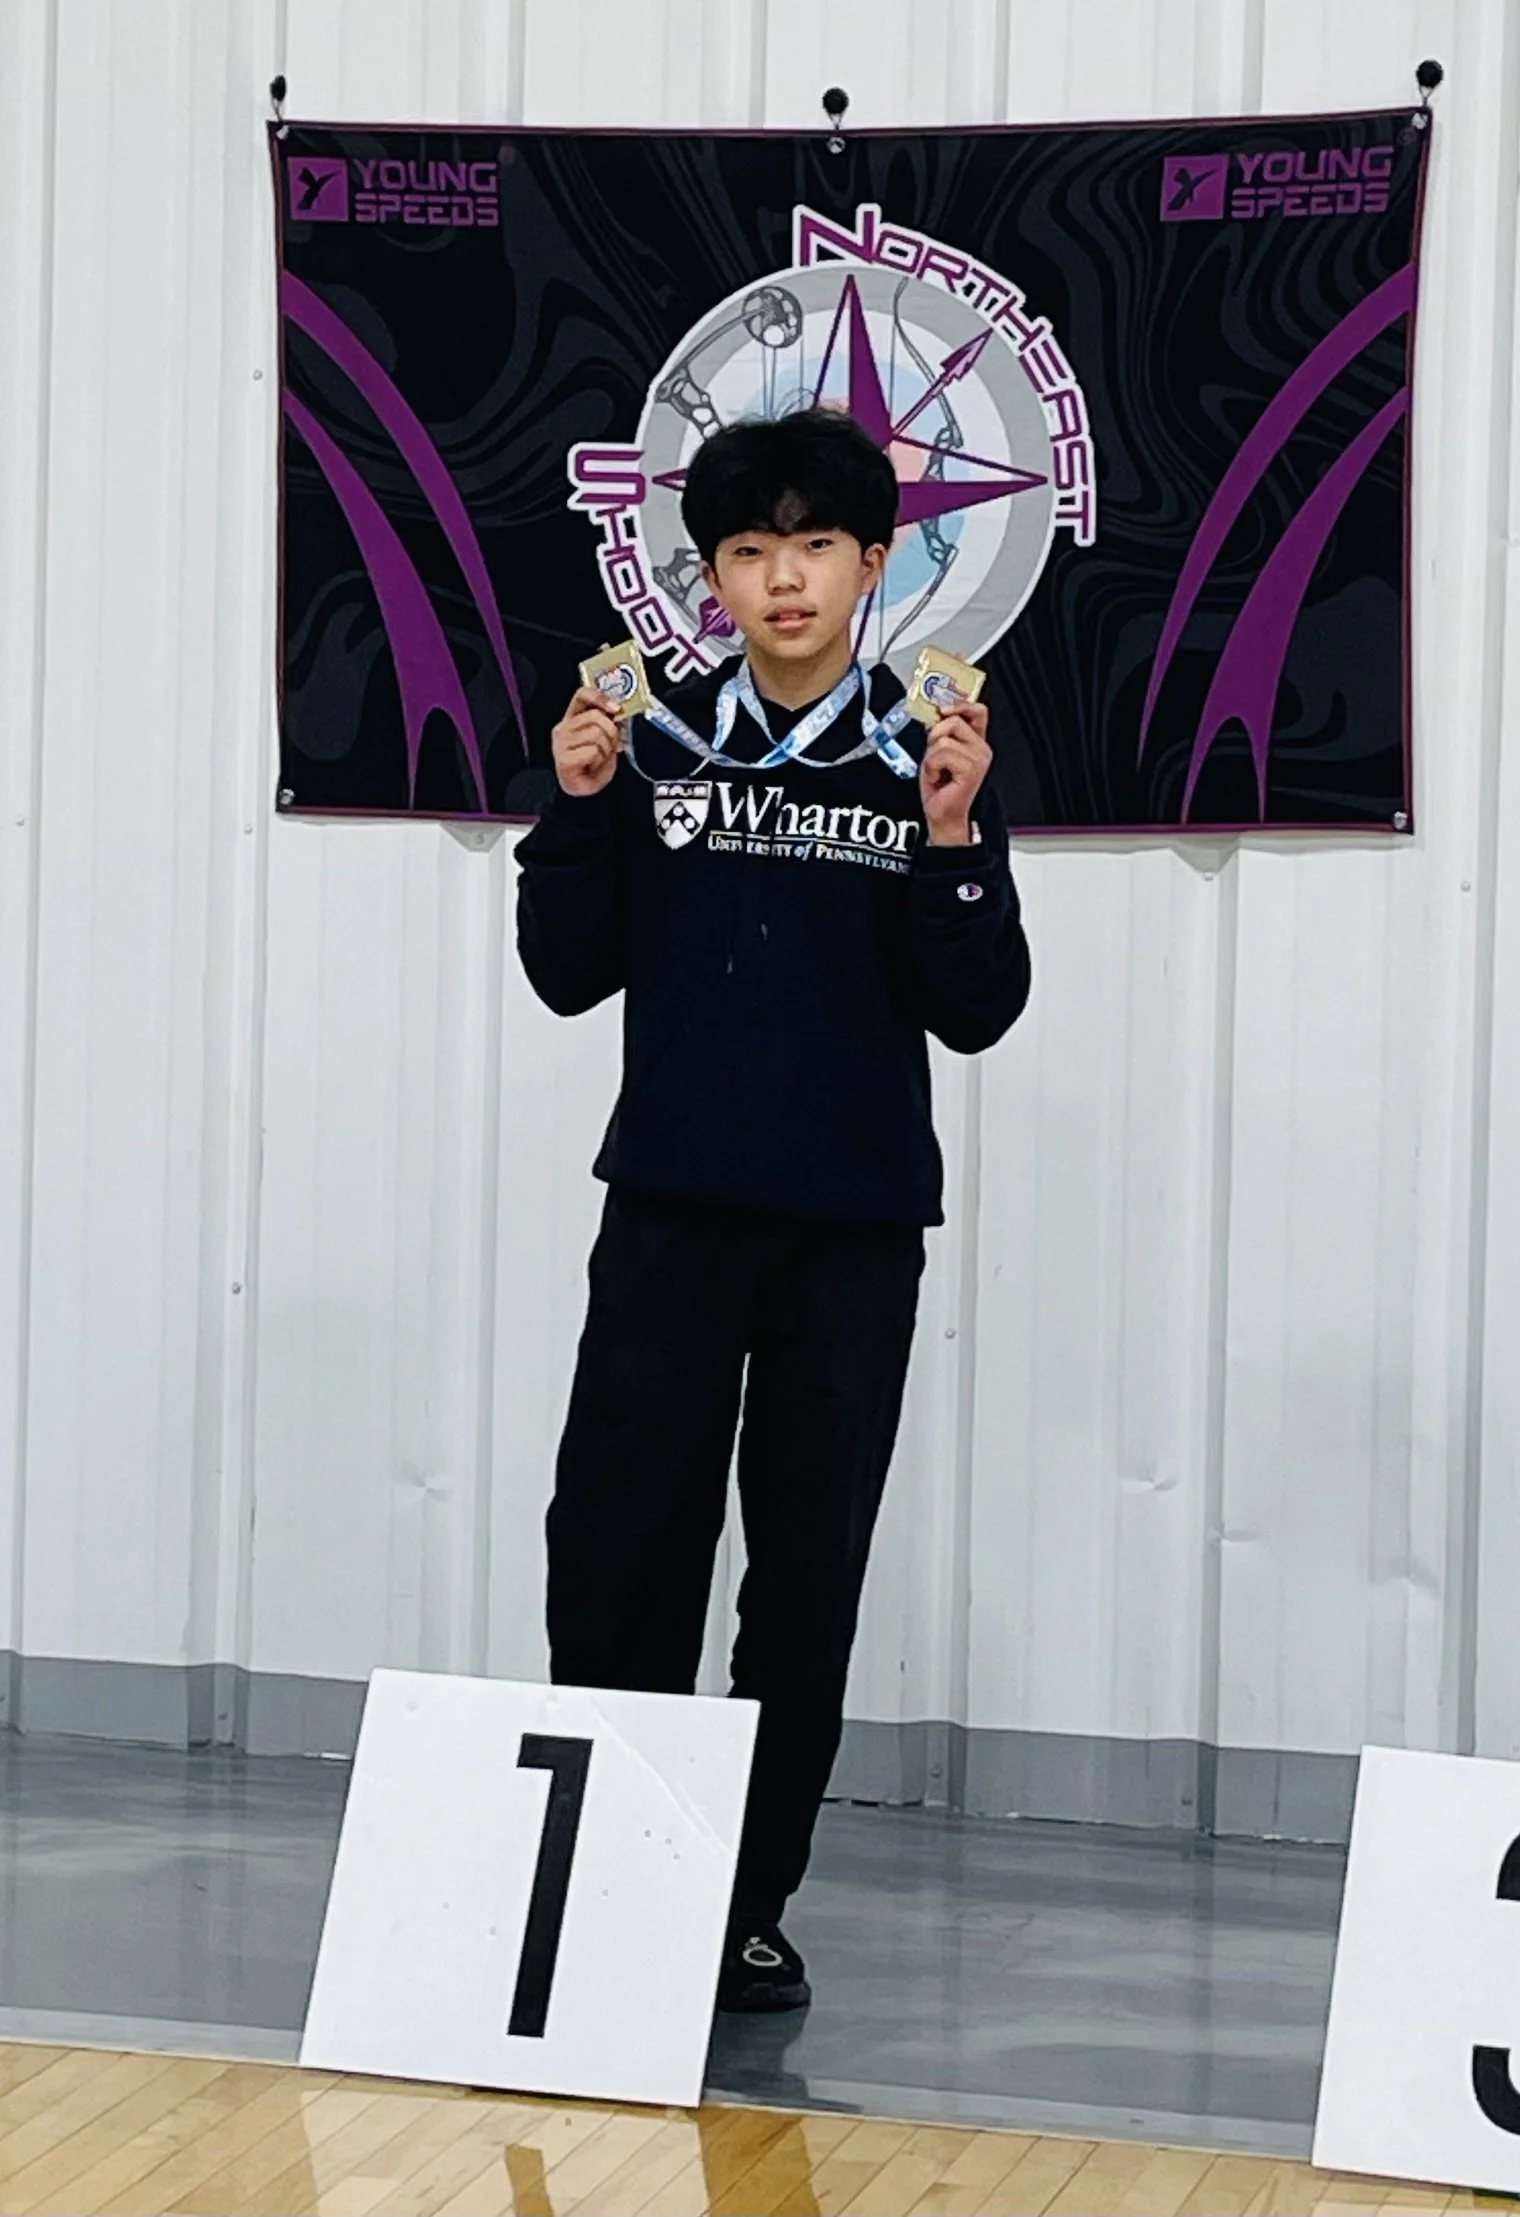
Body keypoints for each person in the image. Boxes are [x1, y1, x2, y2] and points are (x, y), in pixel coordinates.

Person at [515, 407, 1032, 2012]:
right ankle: (614, 1883)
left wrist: (952, 839)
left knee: (802, 1583)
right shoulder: (651, 743)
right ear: (714, 577)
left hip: (850, 1235)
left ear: (877, 564)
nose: (783, 577)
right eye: (748, 549)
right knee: (618, 1556)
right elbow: (566, 973)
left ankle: (743, 1903)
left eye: (815, 545)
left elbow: (980, 1008)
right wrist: (577, 808)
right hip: (669, 1214)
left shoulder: (921, 751)